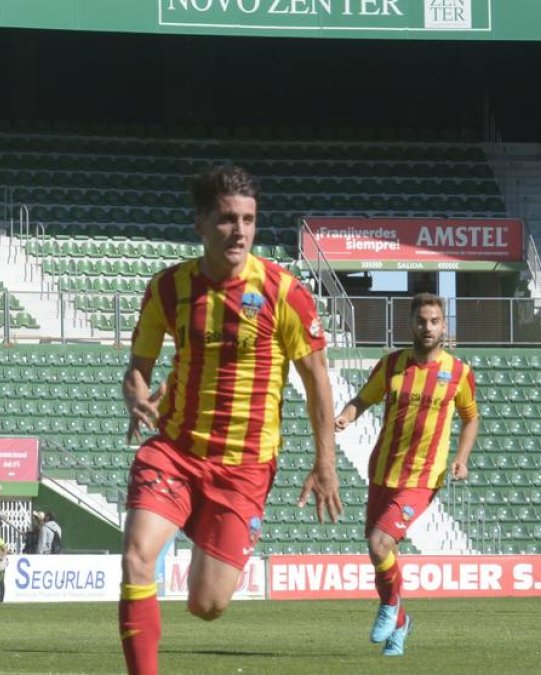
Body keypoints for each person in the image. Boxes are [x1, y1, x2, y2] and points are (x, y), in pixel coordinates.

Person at [118, 165, 341, 675]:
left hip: (243, 468)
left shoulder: (284, 293)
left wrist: (324, 461)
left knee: (207, 604)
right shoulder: (168, 289)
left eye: (248, 219)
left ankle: (206, 534)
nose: (238, 230)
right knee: (136, 556)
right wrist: (134, 393)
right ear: (200, 223)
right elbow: (139, 369)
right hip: (174, 448)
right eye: (225, 219)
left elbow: (317, 380)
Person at [333, 293, 480, 657]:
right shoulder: (391, 366)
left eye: (434, 321)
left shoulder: (459, 373)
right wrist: (346, 416)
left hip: (423, 478)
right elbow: (362, 399)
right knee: (381, 552)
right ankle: (400, 625)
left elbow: (471, 418)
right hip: (383, 471)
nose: (427, 327)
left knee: (379, 543)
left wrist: (461, 458)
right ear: (410, 324)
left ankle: (389, 607)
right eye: (421, 321)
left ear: (444, 325)